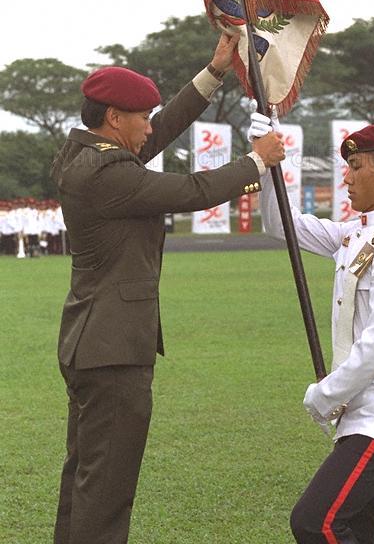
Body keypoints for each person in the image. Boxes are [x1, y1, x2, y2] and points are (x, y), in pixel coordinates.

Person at [52, 32, 285, 544]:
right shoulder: (109, 174)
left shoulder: (83, 155)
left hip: (91, 343)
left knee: (87, 478)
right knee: (107, 489)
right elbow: (193, 190)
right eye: (142, 116)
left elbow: (157, 135)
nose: (148, 126)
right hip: (114, 350)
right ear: (115, 118)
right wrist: (257, 161)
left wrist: (214, 71)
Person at [251, 114, 374, 544]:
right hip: (357, 417)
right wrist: (265, 161)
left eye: (356, 167)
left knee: (315, 523)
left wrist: (325, 395)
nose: (346, 177)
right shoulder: (354, 235)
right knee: (357, 532)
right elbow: (280, 224)